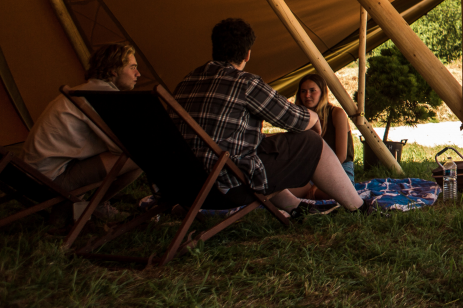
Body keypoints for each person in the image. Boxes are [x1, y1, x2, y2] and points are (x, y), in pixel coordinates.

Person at [172, 18, 367, 214]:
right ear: (248, 54)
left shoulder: (185, 83)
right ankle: (359, 207)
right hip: (226, 187)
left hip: (183, 183)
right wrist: (314, 118)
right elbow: (294, 119)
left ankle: (297, 208)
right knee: (311, 141)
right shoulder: (245, 83)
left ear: (215, 48)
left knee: (264, 150)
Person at [21, 43, 143, 222]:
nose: (138, 74)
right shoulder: (102, 97)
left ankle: (94, 205)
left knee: (139, 153)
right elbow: (122, 146)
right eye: (132, 67)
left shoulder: (86, 91)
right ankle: (94, 206)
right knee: (140, 155)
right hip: (49, 181)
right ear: (113, 70)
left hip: (30, 176)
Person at [296, 73, 356, 182]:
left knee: (337, 192)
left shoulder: (336, 113)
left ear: (322, 93)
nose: (307, 95)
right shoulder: (300, 117)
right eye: (303, 91)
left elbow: (341, 156)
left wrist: (320, 181)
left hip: (339, 167)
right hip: (311, 168)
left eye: (312, 90)